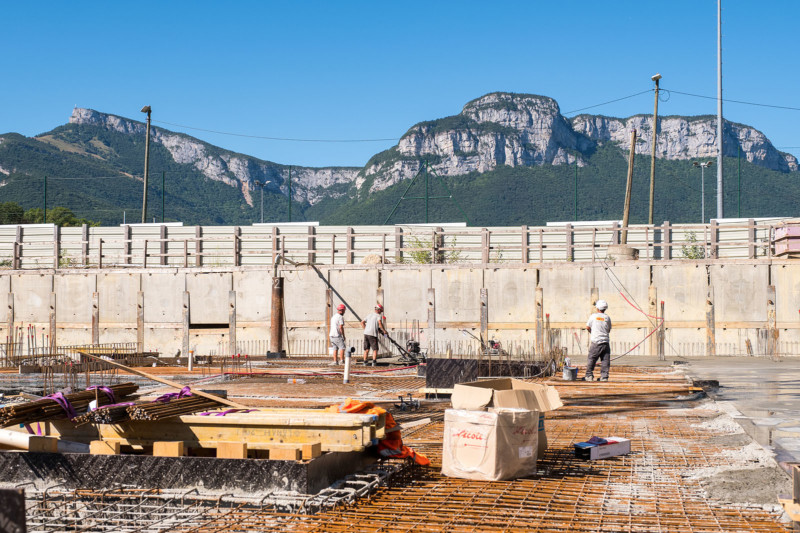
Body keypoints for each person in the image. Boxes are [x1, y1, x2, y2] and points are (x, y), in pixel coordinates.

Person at [584, 299, 612, 381]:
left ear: (597, 308)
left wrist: (592, 332)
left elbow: (588, 327)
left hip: (596, 342)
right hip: (605, 342)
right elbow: (609, 329)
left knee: (591, 358)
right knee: (605, 360)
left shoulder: (593, 316)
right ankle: (604, 377)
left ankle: (589, 376)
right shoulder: (607, 318)